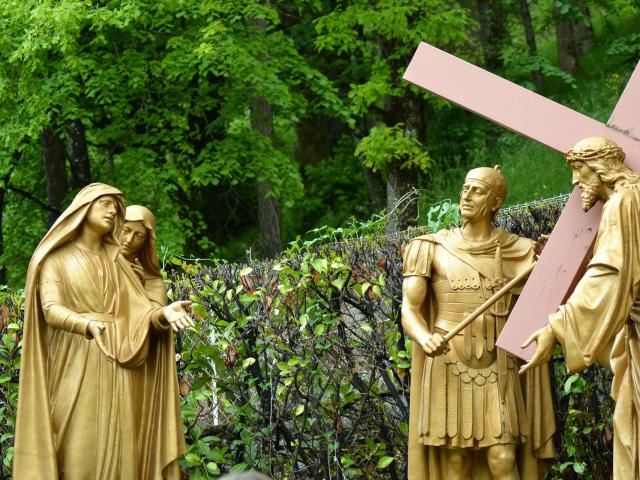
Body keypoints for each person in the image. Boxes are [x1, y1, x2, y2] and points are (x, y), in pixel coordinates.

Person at [14, 184, 193, 479]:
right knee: (76, 452)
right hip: (75, 361)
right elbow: (50, 309)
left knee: (123, 453)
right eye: (105, 204)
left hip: (119, 361)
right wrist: (86, 325)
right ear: (84, 208)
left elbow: (139, 312)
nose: (113, 211)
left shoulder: (118, 261)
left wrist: (163, 313)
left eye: (116, 207)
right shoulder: (55, 258)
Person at [402, 166, 555, 479]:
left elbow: (557, 285)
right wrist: (424, 337)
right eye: (465, 188)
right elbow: (410, 309)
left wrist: (553, 256)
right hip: (448, 363)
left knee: (503, 458)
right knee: (456, 464)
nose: (467, 196)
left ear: (495, 201)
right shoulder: (429, 247)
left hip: (498, 366)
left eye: (477, 190)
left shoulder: (519, 250)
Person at [521, 136, 640, 479]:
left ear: (600, 167)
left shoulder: (622, 202)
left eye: (579, 169)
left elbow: (609, 274)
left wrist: (557, 326)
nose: (575, 180)